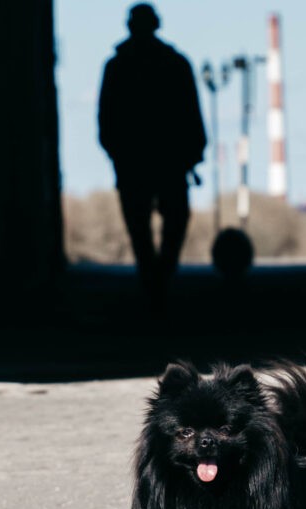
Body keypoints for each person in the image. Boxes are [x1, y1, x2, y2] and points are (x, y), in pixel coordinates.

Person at [98, 3, 206, 301]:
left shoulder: (118, 67)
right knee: (172, 220)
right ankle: (159, 276)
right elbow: (191, 114)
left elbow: (106, 118)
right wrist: (193, 153)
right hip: (167, 160)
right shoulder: (174, 64)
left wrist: (117, 154)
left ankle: (152, 277)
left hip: (137, 161)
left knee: (140, 225)